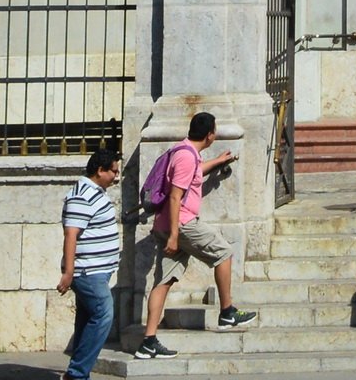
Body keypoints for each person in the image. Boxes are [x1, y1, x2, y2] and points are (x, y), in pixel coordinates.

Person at [130, 112, 257, 359]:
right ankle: (227, 312)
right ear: (210, 135)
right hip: (182, 224)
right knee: (223, 252)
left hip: (165, 224)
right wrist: (175, 235)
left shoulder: (183, 150)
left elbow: (195, 172)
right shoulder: (187, 158)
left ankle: (148, 341)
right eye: (215, 131)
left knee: (163, 281)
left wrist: (218, 161)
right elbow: (176, 196)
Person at [57, 149, 123, 380]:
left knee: (87, 319)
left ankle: (77, 373)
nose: (116, 176)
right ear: (100, 170)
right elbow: (71, 234)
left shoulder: (95, 192)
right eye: (113, 171)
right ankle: (76, 374)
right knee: (103, 314)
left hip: (97, 270)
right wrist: (69, 272)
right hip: (87, 271)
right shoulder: (82, 195)